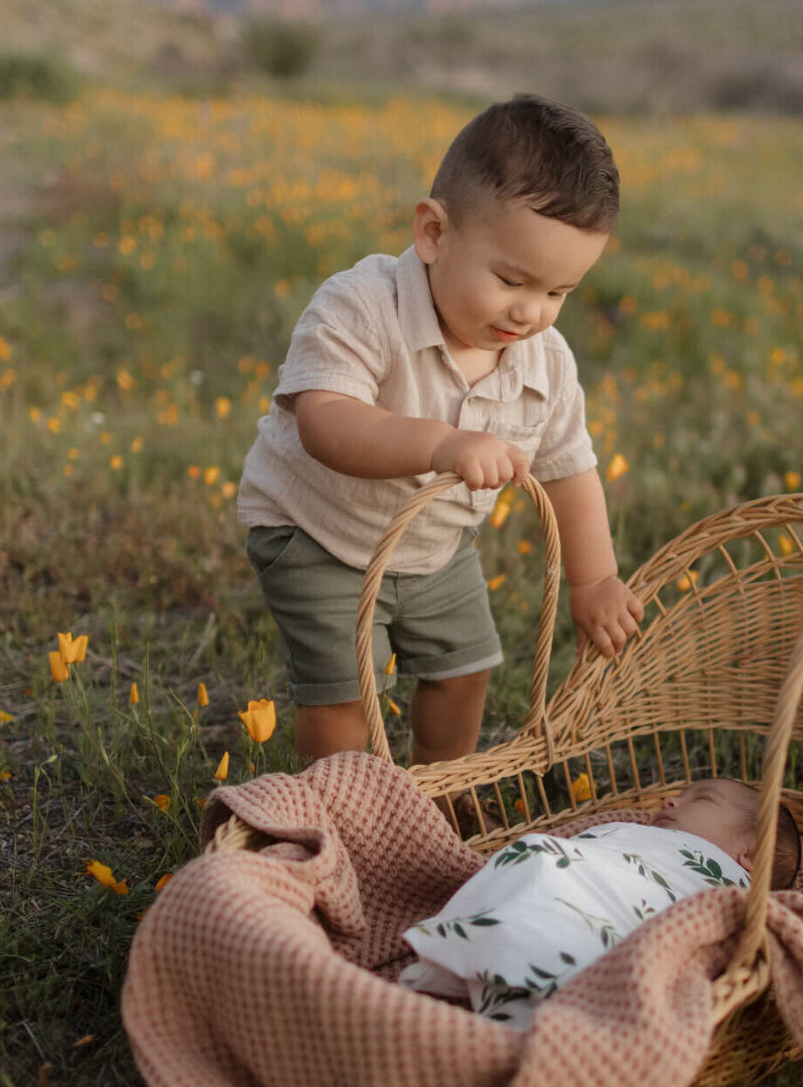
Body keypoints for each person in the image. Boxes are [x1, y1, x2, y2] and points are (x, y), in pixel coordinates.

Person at [238, 94, 644, 766]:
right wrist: (443, 445)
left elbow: (569, 470)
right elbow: (326, 422)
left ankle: (438, 791)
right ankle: (342, 806)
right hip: (318, 532)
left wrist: (594, 580)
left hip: (434, 547)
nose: (530, 311)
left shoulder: (546, 361)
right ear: (433, 233)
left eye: (557, 293)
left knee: (465, 670)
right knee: (346, 694)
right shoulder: (362, 306)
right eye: (511, 279)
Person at [399, 778, 803, 1027]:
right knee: (541, 862)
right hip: (574, 879)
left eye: (702, 799)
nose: (670, 802)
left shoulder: (726, 889)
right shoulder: (643, 836)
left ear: (749, 857)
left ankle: (515, 985)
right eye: (679, 795)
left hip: (617, 912)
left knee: (552, 879)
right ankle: (487, 963)